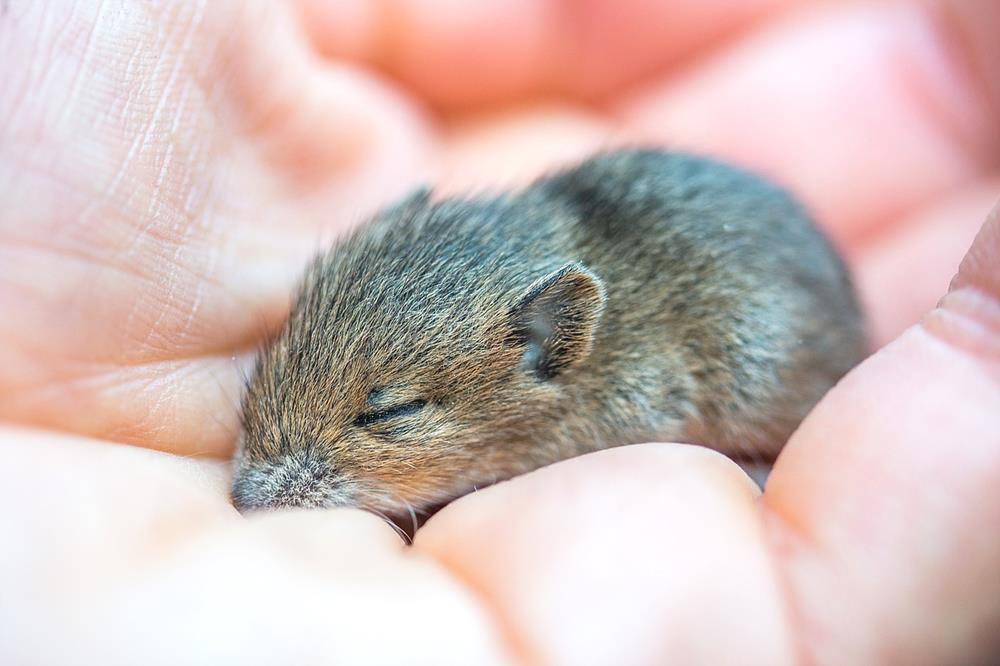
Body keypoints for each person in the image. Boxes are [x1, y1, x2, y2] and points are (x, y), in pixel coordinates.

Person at [0, 0, 997, 662]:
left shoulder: (576, 366)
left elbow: (644, 399)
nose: (265, 481)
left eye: (381, 413)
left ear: (543, 348)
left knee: (750, 360)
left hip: (753, 288)